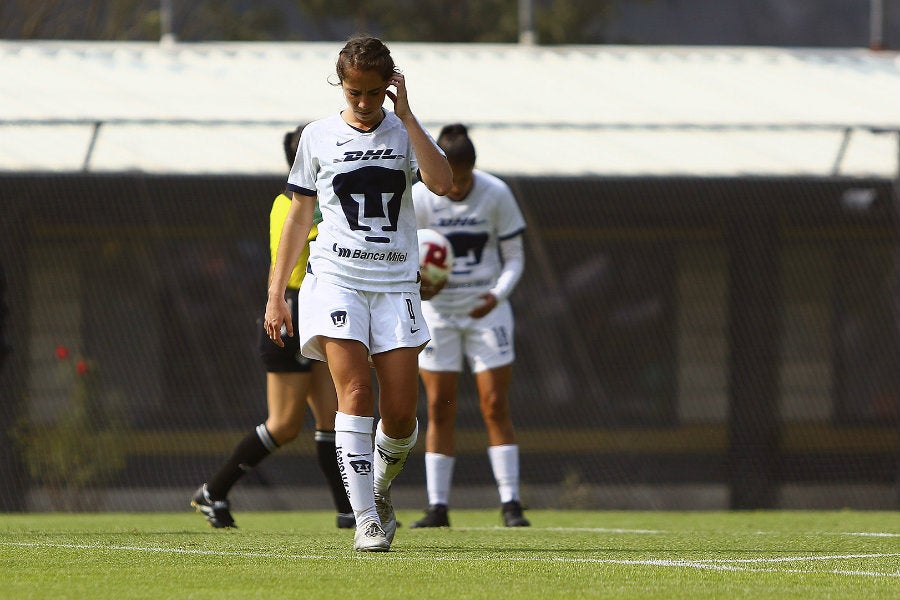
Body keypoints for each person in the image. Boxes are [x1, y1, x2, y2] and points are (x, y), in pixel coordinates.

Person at [264, 35, 452, 552]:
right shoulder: (318, 137)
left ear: (388, 86)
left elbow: (441, 182)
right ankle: (365, 517)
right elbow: (300, 213)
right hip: (336, 281)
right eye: (355, 93)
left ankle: (380, 491)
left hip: (396, 286)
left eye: (374, 93)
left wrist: (409, 117)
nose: (365, 103)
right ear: (341, 86)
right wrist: (276, 293)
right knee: (356, 394)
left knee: (400, 415)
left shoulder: (404, 132)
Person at [191, 125, 354, 530]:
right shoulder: (291, 205)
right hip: (295, 310)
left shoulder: (320, 200)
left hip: (320, 307)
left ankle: (348, 512)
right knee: (283, 424)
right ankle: (214, 491)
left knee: (332, 419)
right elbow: (319, 243)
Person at [410, 123, 530, 528]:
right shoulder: (421, 196)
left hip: (487, 311)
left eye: (464, 179)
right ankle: (437, 506)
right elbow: (405, 254)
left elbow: (514, 257)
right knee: (439, 408)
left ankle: (511, 503)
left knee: (494, 404)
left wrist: (495, 296)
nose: (457, 188)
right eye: (451, 178)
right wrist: (418, 285)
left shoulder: (496, 193)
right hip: (438, 315)